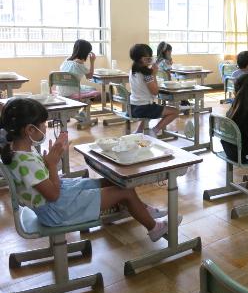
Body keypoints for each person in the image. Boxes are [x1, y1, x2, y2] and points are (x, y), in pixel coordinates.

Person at [0, 98, 173, 241]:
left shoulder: (16, 151)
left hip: (56, 200)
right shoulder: (25, 161)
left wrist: (49, 161)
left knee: (112, 181)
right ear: (30, 129)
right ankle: (154, 228)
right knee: (125, 191)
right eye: (43, 124)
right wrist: (52, 164)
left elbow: (38, 179)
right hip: (57, 211)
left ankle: (142, 209)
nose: (45, 128)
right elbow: (53, 195)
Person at [129, 44, 179, 136]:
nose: (150, 60)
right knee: (175, 111)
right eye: (148, 58)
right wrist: (154, 75)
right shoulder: (147, 74)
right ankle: (154, 131)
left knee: (153, 106)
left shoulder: (132, 70)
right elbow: (155, 92)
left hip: (133, 107)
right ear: (142, 59)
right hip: (143, 108)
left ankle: (139, 131)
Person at [58, 39, 101, 120]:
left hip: (61, 91)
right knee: (95, 91)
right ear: (86, 52)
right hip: (72, 92)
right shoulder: (79, 64)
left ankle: (77, 113)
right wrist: (92, 62)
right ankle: (83, 113)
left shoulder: (66, 61)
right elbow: (90, 76)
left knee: (88, 88)